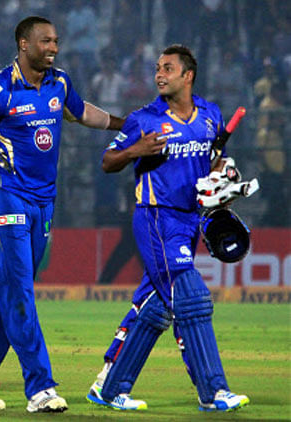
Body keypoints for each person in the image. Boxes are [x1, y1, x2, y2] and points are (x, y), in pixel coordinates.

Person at [0, 16, 125, 412]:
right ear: (23, 44)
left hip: (43, 201)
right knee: (19, 287)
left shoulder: (60, 82)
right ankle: (40, 386)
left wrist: (125, 125)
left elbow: (79, 112)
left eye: (55, 41)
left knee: (8, 289)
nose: (53, 48)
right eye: (45, 42)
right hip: (3, 195)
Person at [86, 44, 250, 412]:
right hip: (157, 218)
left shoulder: (210, 114)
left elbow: (211, 161)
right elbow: (108, 161)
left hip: (192, 219)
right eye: (157, 68)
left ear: (187, 75)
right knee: (190, 297)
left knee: (157, 307)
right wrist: (136, 150)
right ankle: (213, 391)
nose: (159, 74)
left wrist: (223, 175)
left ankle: (109, 388)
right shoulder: (143, 119)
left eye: (168, 68)